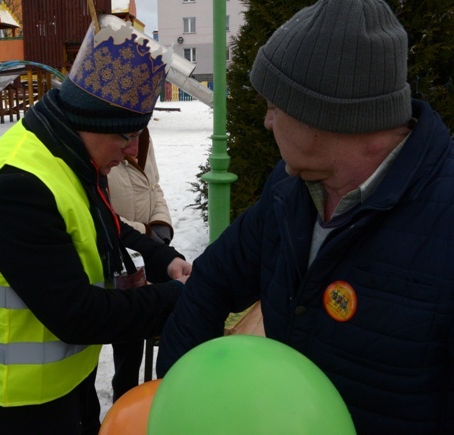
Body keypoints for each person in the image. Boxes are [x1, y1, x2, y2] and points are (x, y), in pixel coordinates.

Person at [156, 0, 454, 433]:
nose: (265, 121)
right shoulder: (290, 190)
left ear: (330, 116)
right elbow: (213, 281)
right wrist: (175, 395)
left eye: (276, 106)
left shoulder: (443, 219)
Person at [0, 16, 191, 435]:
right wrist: (178, 299)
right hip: (15, 394)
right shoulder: (16, 189)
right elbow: (77, 314)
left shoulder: (66, 150)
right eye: (127, 136)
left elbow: (106, 227)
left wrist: (163, 259)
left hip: (61, 377)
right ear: (96, 122)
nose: (133, 151)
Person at [106, 128, 174, 401]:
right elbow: (103, 214)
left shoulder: (141, 137)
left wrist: (160, 224)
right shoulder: (102, 149)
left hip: (151, 245)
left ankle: (161, 394)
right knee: (127, 333)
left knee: (169, 310)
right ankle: (125, 397)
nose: (133, 147)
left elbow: (153, 186)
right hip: (119, 250)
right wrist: (145, 233)